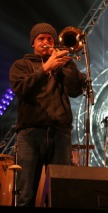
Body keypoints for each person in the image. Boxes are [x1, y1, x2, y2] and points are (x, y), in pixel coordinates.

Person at [9, 23, 87, 207]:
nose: (46, 42)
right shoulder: (22, 65)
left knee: (61, 194)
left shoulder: (63, 65)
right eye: (41, 39)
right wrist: (45, 69)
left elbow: (75, 90)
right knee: (26, 194)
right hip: (30, 134)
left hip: (60, 133)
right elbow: (22, 89)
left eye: (50, 39)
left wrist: (68, 65)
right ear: (33, 43)